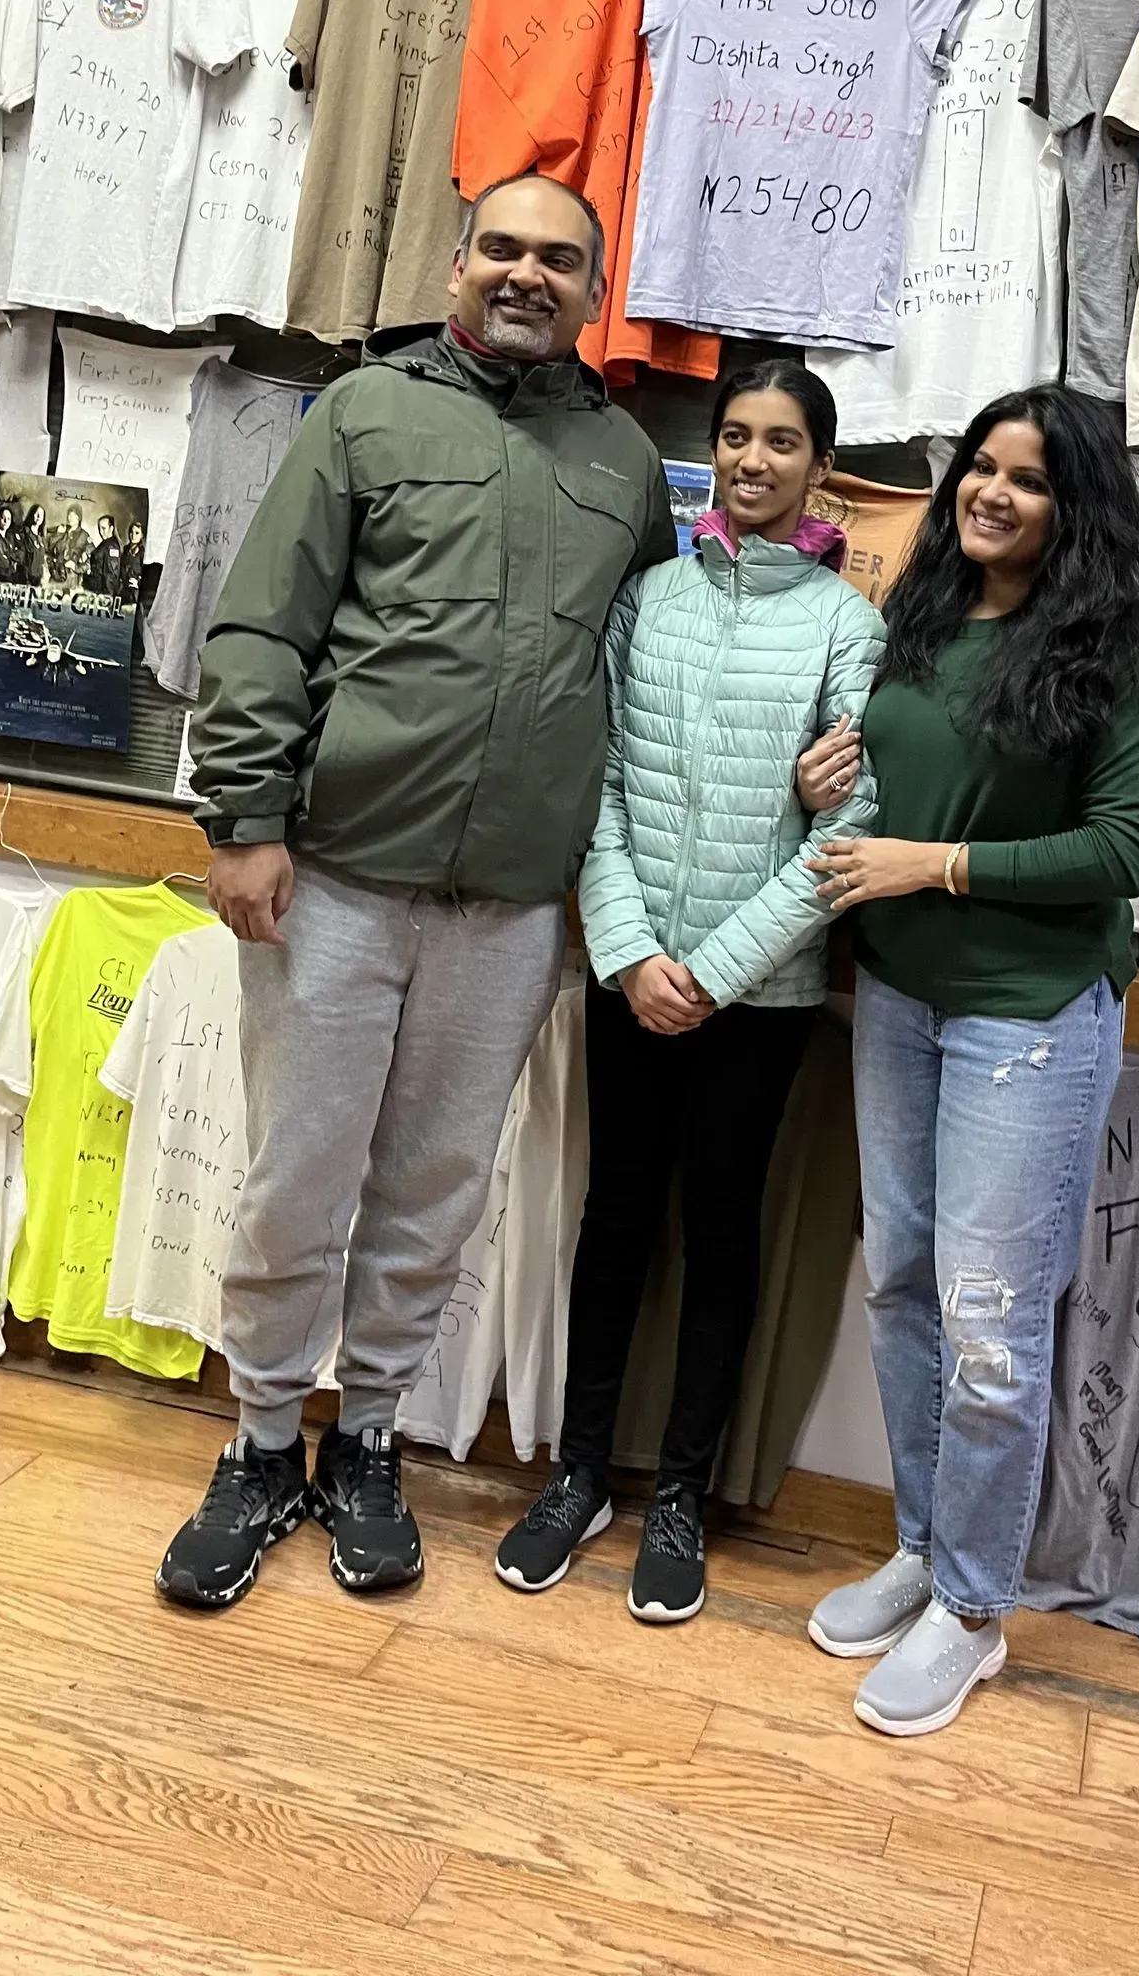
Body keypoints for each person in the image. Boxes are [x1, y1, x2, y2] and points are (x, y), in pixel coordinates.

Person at [159, 171, 676, 1612]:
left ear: (593, 288)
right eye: (501, 248)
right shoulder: (365, 417)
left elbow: (641, 674)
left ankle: (368, 1442)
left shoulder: (626, 467)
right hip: (333, 875)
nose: (526, 273)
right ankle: (264, 1444)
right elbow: (263, 624)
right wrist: (245, 818)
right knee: (297, 1176)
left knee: (437, 1191)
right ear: (458, 264)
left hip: (512, 903)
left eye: (558, 259)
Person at [797, 386, 1139, 1736]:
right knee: (900, 1282)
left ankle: (972, 1610)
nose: (992, 493)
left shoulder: (1113, 646)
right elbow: (903, 783)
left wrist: (932, 867)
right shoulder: (928, 613)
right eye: (981, 468)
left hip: (1031, 1012)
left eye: (1029, 479)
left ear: (1076, 507)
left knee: (993, 1327)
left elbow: (1123, 853)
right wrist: (831, 784)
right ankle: (920, 1544)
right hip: (900, 994)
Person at [493, 364, 884, 1624]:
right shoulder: (648, 597)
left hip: (757, 1004)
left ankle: (683, 1493)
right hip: (632, 974)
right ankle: (581, 1472)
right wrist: (628, 950)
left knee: (720, 1234)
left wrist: (713, 974)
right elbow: (589, 778)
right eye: (734, 436)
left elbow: (852, 828)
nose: (754, 460)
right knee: (614, 1219)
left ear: (821, 466)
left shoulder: (845, 625)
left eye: (782, 442)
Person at [85, 514, 123, 595]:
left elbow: (111, 574)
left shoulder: (112, 546)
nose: (101, 532)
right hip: (97, 588)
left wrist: (107, 596)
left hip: (102, 591)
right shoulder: (105, 543)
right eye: (99, 529)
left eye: (103, 528)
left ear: (111, 528)